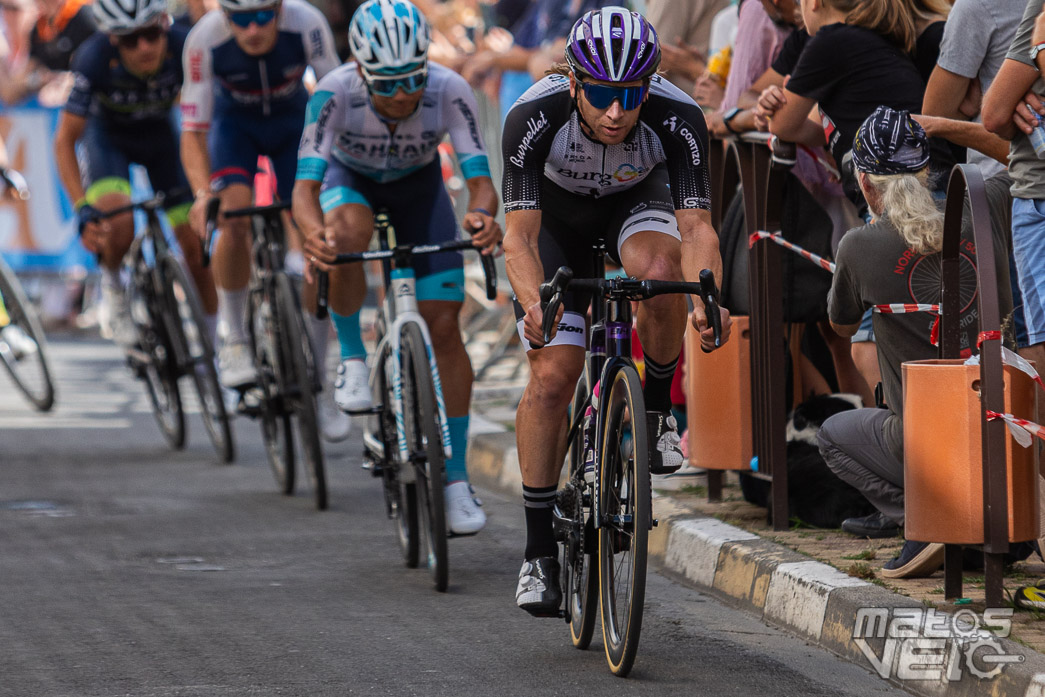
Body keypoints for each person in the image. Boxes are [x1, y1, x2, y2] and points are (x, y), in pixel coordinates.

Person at [501, 6, 732, 616]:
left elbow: (697, 227)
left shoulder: (677, 116)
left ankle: (655, 409)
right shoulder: (533, 115)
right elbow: (518, 240)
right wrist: (533, 306)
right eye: (601, 94)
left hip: (635, 203)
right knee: (553, 376)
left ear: (648, 85)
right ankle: (537, 554)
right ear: (575, 83)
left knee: (661, 274)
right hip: (557, 223)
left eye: (630, 94)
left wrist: (707, 294)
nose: (615, 111)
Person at [295, 0, 501, 535]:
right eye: (385, 85)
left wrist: (480, 214)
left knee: (444, 327)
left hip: (420, 190)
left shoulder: (448, 88)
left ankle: (455, 480)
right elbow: (304, 189)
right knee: (346, 235)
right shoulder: (333, 91)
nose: (402, 94)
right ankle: (354, 360)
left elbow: (480, 182)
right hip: (351, 181)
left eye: (411, 79)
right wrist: (314, 234)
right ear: (360, 70)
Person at [817, 107, 1015, 577]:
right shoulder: (986, 205)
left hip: (922, 438)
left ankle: (927, 523)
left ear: (864, 183)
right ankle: (971, 523)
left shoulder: (858, 246)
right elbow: (1025, 160)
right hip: (999, 431)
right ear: (927, 171)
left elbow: (842, 328)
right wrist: (946, 125)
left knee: (831, 436)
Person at [179, 0, 337, 389]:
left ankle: (320, 365)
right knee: (232, 219)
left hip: (293, 124)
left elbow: (338, 96)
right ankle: (233, 335)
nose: (253, 30)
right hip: (235, 129)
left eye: (263, 16)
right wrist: (202, 194)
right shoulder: (204, 38)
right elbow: (193, 131)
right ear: (225, 17)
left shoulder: (307, 22)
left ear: (280, 9)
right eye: (242, 20)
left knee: (318, 233)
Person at [52, 0, 212, 348]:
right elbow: (64, 141)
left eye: (152, 34)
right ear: (112, 39)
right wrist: (82, 207)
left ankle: (217, 344)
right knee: (118, 222)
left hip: (163, 140)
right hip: (109, 140)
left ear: (164, 25)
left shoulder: (184, 45)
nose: (144, 47)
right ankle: (113, 286)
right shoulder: (92, 58)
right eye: (130, 39)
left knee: (197, 246)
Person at [981, 0, 1045, 427]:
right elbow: (997, 114)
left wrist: (1041, 50)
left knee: (1039, 347)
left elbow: (994, 112)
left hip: (1037, 196)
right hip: (1033, 193)